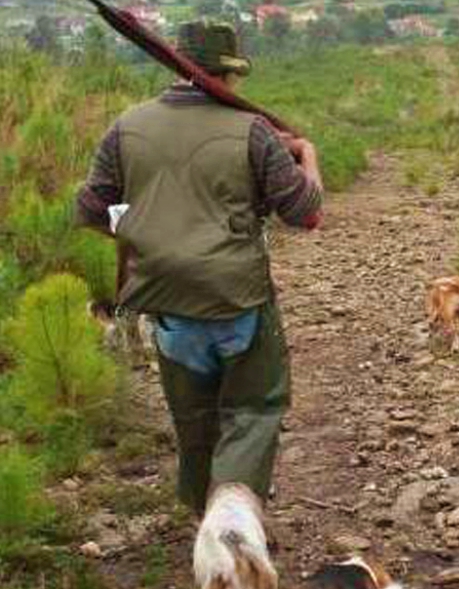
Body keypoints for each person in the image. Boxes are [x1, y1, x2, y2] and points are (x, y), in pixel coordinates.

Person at [75, 21, 324, 515]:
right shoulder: (253, 132)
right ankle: (232, 517)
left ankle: (201, 518)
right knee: (253, 414)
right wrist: (306, 156)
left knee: (193, 424)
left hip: (167, 305)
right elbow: (306, 212)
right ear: (229, 74)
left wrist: (145, 232)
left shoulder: (126, 126)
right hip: (239, 301)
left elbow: (89, 209)